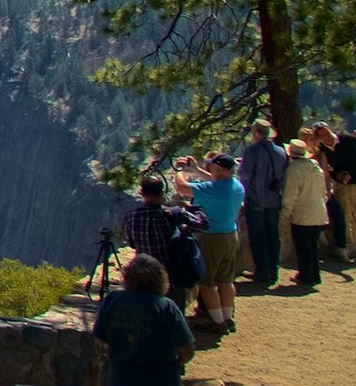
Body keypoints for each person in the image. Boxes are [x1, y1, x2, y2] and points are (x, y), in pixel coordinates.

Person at [93, 252, 196, 386]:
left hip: (122, 384)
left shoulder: (113, 300)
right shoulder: (166, 307)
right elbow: (187, 350)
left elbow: (100, 339)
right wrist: (176, 364)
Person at [179, 153, 245, 332]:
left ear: (221, 171)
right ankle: (228, 318)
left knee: (206, 282)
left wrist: (181, 171)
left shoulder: (213, 189)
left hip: (212, 237)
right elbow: (216, 181)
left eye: (213, 168)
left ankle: (217, 322)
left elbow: (182, 188)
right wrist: (196, 170)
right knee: (225, 280)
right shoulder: (236, 186)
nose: (210, 171)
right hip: (230, 235)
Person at [121, 174, 202, 311]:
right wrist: (191, 210)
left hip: (143, 274)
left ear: (142, 193)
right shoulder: (172, 214)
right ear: (162, 193)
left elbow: (132, 243)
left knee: (148, 313)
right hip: (170, 273)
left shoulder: (131, 217)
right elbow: (203, 224)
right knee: (173, 311)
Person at [236, 120, 287, 286]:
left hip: (256, 198)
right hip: (273, 199)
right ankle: (273, 269)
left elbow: (246, 176)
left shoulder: (252, 151)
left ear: (256, 132)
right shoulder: (280, 151)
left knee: (258, 236)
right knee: (273, 235)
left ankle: (263, 271)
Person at [283, 136, 329, 290]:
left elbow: (291, 194)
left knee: (303, 246)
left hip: (303, 214)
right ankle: (314, 275)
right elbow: (323, 191)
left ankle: (306, 276)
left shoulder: (294, 170)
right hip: (319, 211)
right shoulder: (315, 167)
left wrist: (285, 212)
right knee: (312, 245)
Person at [327, 123, 356, 268]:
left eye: (325, 132)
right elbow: (327, 169)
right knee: (345, 216)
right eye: (321, 134)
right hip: (343, 185)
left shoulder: (343, 139)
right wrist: (339, 176)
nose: (325, 137)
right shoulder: (323, 149)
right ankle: (347, 247)